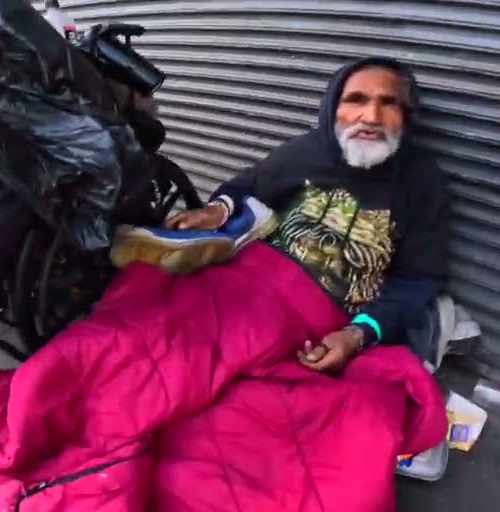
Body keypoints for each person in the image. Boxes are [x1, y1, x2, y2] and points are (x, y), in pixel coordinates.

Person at [128, 57, 450, 376]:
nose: (371, 116)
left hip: (316, 318)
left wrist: (356, 335)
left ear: (405, 116)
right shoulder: (309, 151)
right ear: (332, 109)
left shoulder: (422, 182)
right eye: (356, 100)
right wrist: (217, 210)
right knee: (144, 327)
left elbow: (417, 279)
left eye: (388, 103)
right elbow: (250, 183)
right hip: (250, 281)